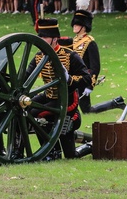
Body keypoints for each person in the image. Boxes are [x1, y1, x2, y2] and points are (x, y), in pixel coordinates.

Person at [26, 19, 91, 160]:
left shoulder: (69, 55)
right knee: (27, 109)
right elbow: (26, 76)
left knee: (71, 155)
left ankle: (89, 145)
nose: (41, 40)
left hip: (67, 99)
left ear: (55, 39)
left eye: (45, 37)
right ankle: (50, 151)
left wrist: (69, 79)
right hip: (49, 96)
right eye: (40, 37)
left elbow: (87, 78)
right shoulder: (38, 56)